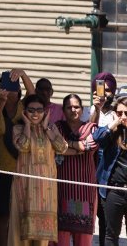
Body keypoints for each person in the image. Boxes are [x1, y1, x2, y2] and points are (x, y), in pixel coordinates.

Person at [9, 93, 67, 245]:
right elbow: (23, 146)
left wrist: (47, 127)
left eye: (39, 110)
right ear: (25, 111)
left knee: (42, 238)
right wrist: (27, 126)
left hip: (46, 190)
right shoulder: (18, 128)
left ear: (45, 111)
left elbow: (62, 148)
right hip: (24, 187)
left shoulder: (51, 128)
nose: (35, 114)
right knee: (20, 233)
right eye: (31, 110)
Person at [0, 68, 32, 246]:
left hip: (20, 171)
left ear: (18, 90)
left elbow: (33, 94)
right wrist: (2, 100)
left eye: (13, 88)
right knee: (3, 214)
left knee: (19, 214)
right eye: (6, 88)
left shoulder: (23, 107)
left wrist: (23, 74)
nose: (10, 92)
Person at [54, 93, 97, 246]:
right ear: (63, 110)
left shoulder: (91, 128)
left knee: (83, 239)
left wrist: (67, 145)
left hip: (83, 191)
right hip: (62, 191)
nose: (73, 110)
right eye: (69, 107)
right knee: (61, 238)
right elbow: (55, 147)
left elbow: (90, 146)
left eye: (76, 106)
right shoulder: (57, 127)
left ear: (82, 109)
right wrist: (77, 146)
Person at [94, 95, 127, 246]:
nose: (123, 117)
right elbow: (97, 138)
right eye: (120, 113)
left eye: (126, 113)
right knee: (111, 233)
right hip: (114, 189)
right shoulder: (113, 132)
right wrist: (114, 123)